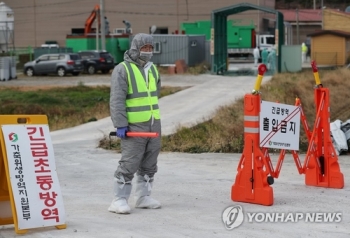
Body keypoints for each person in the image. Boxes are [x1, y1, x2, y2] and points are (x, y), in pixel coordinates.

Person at [109, 33, 162, 214]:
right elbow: (117, 100)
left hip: (153, 124)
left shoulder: (153, 69)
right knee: (130, 162)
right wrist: (120, 124)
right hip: (134, 126)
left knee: (150, 162)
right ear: (135, 48)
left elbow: (155, 95)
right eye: (144, 48)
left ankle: (143, 197)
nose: (147, 52)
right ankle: (119, 199)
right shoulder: (123, 69)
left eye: (150, 48)